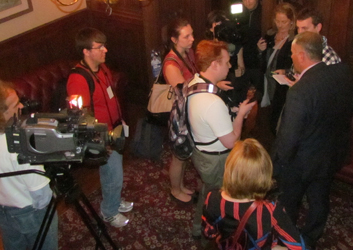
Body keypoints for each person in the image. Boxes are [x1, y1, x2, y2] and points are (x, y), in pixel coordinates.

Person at [271, 31, 353, 249]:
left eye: (291, 54)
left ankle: (287, 239)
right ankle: (311, 236)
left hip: (301, 162)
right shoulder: (343, 72)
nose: (290, 58)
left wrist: (278, 164)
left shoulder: (300, 91)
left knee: (289, 202)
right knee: (319, 199)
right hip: (330, 153)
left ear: (302, 56)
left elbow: (289, 137)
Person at [189, 40, 256, 238]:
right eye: (226, 62)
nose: (230, 65)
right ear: (214, 65)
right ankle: (209, 231)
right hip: (214, 158)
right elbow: (232, 142)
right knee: (216, 197)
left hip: (200, 150)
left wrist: (229, 112)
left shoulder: (194, 82)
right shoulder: (212, 103)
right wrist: (241, 114)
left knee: (208, 192)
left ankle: (199, 228)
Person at [67, 27, 133, 228]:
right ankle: (109, 212)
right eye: (99, 47)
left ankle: (113, 200)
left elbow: (110, 98)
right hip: (101, 136)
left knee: (113, 172)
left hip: (115, 128)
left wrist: (120, 121)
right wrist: (100, 139)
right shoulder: (78, 79)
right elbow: (80, 117)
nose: (105, 50)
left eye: (104, 45)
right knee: (113, 174)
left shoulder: (103, 68)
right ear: (86, 51)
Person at [202, 138, 306, 250]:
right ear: (264, 175)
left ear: (229, 170)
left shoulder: (212, 198)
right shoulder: (271, 210)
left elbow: (209, 233)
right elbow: (298, 246)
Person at [0, 81, 58, 250]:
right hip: (29, 213)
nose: (21, 106)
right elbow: (41, 195)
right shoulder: (18, 144)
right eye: (14, 104)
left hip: (4, 211)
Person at [162, 18, 199, 204]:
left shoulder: (188, 52)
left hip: (188, 111)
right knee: (178, 156)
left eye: (191, 34)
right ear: (174, 39)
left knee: (185, 154)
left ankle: (181, 185)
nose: (192, 39)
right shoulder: (171, 64)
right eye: (187, 36)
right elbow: (182, 93)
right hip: (179, 116)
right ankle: (175, 190)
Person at [257, 2, 296, 134]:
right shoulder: (269, 35)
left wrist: (286, 71)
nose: (280, 25)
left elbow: (297, 65)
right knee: (263, 115)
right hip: (266, 81)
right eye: (277, 21)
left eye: (284, 22)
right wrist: (260, 50)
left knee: (277, 115)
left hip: (281, 86)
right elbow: (261, 61)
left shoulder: (294, 40)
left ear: (291, 21)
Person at [239, 0, 264, 96]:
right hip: (241, 60)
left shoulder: (264, 12)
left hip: (257, 62)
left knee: (257, 94)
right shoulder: (238, 11)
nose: (247, 2)